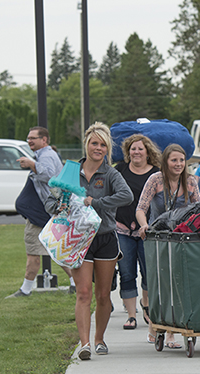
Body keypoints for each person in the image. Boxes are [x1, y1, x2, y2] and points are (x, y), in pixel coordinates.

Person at [45, 122, 133, 360]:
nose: (98, 148)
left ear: (107, 148)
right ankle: (84, 344)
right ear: (86, 144)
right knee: (83, 292)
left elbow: (127, 196)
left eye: (103, 144)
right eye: (94, 143)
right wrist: (58, 206)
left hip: (105, 238)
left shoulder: (111, 173)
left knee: (103, 295)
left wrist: (96, 202)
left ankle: (99, 339)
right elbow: (49, 198)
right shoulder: (71, 169)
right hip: (78, 239)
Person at [136, 143, 200, 348]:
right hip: (158, 238)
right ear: (165, 162)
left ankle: (171, 331)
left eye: (182, 160)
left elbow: (199, 209)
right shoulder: (155, 180)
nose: (179, 164)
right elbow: (141, 208)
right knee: (160, 283)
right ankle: (157, 327)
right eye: (174, 160)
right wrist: (144, 224)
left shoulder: (190, 181)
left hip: (181, 239)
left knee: (179, 284)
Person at [7, 126, 76, 298]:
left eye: (33, 138)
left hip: (40, 214)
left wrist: (31, 164)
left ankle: (25, 290)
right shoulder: (46, 155)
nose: (29, 140)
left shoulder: (46, 155)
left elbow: (48, 175)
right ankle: (75, 283)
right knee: (55, 249)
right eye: (28, 137)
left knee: (33, 251)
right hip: (45, 212)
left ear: (44, 140)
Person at [114, 134, 161, 331]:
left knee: (149, 272)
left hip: (147, 231)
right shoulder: (121, 170)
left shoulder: (157, 173)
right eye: (133, 149)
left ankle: (147, 306)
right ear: (128, 152)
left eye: (140, 148)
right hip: (123, 229)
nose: (136, 152)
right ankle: (131, 316)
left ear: (148, 152)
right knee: (127, 273)